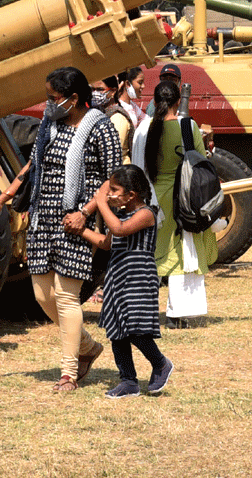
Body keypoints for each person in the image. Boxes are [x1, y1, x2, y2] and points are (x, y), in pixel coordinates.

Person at [0, 66, 122, 392]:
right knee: (42, 295)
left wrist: (85, 212)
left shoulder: (101, 129)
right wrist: (1, 200)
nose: (49, 104)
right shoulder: (50, 125)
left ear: (74, 99)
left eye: (53, 98)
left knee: (65, 296)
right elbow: (32, 166)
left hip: (75, 222)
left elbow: (113, 178)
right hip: (43, 220)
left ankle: (68, 374)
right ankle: (88, 347)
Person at [68, 165, 173, 398]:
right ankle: (128, 381)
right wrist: (80, 231)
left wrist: (101, 203)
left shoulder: (146, 214)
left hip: (138, 277)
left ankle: (161, 363)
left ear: (131, 195)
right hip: (117, 276)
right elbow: (107, 242)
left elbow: (119, 229)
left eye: (115, 190)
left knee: (135, 329)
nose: (110, 194)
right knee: (118, 332)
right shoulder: (122, 215)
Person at [132, 79, 217, 326]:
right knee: (182, 255)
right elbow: (200, 161)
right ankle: (177, 314)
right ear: (178, 102)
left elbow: (138, 168)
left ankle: (142, 311)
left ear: (154, 102)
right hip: (183, 199)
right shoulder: (188, 127)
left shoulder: (143, 129)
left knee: (149, 254)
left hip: (152, 199)